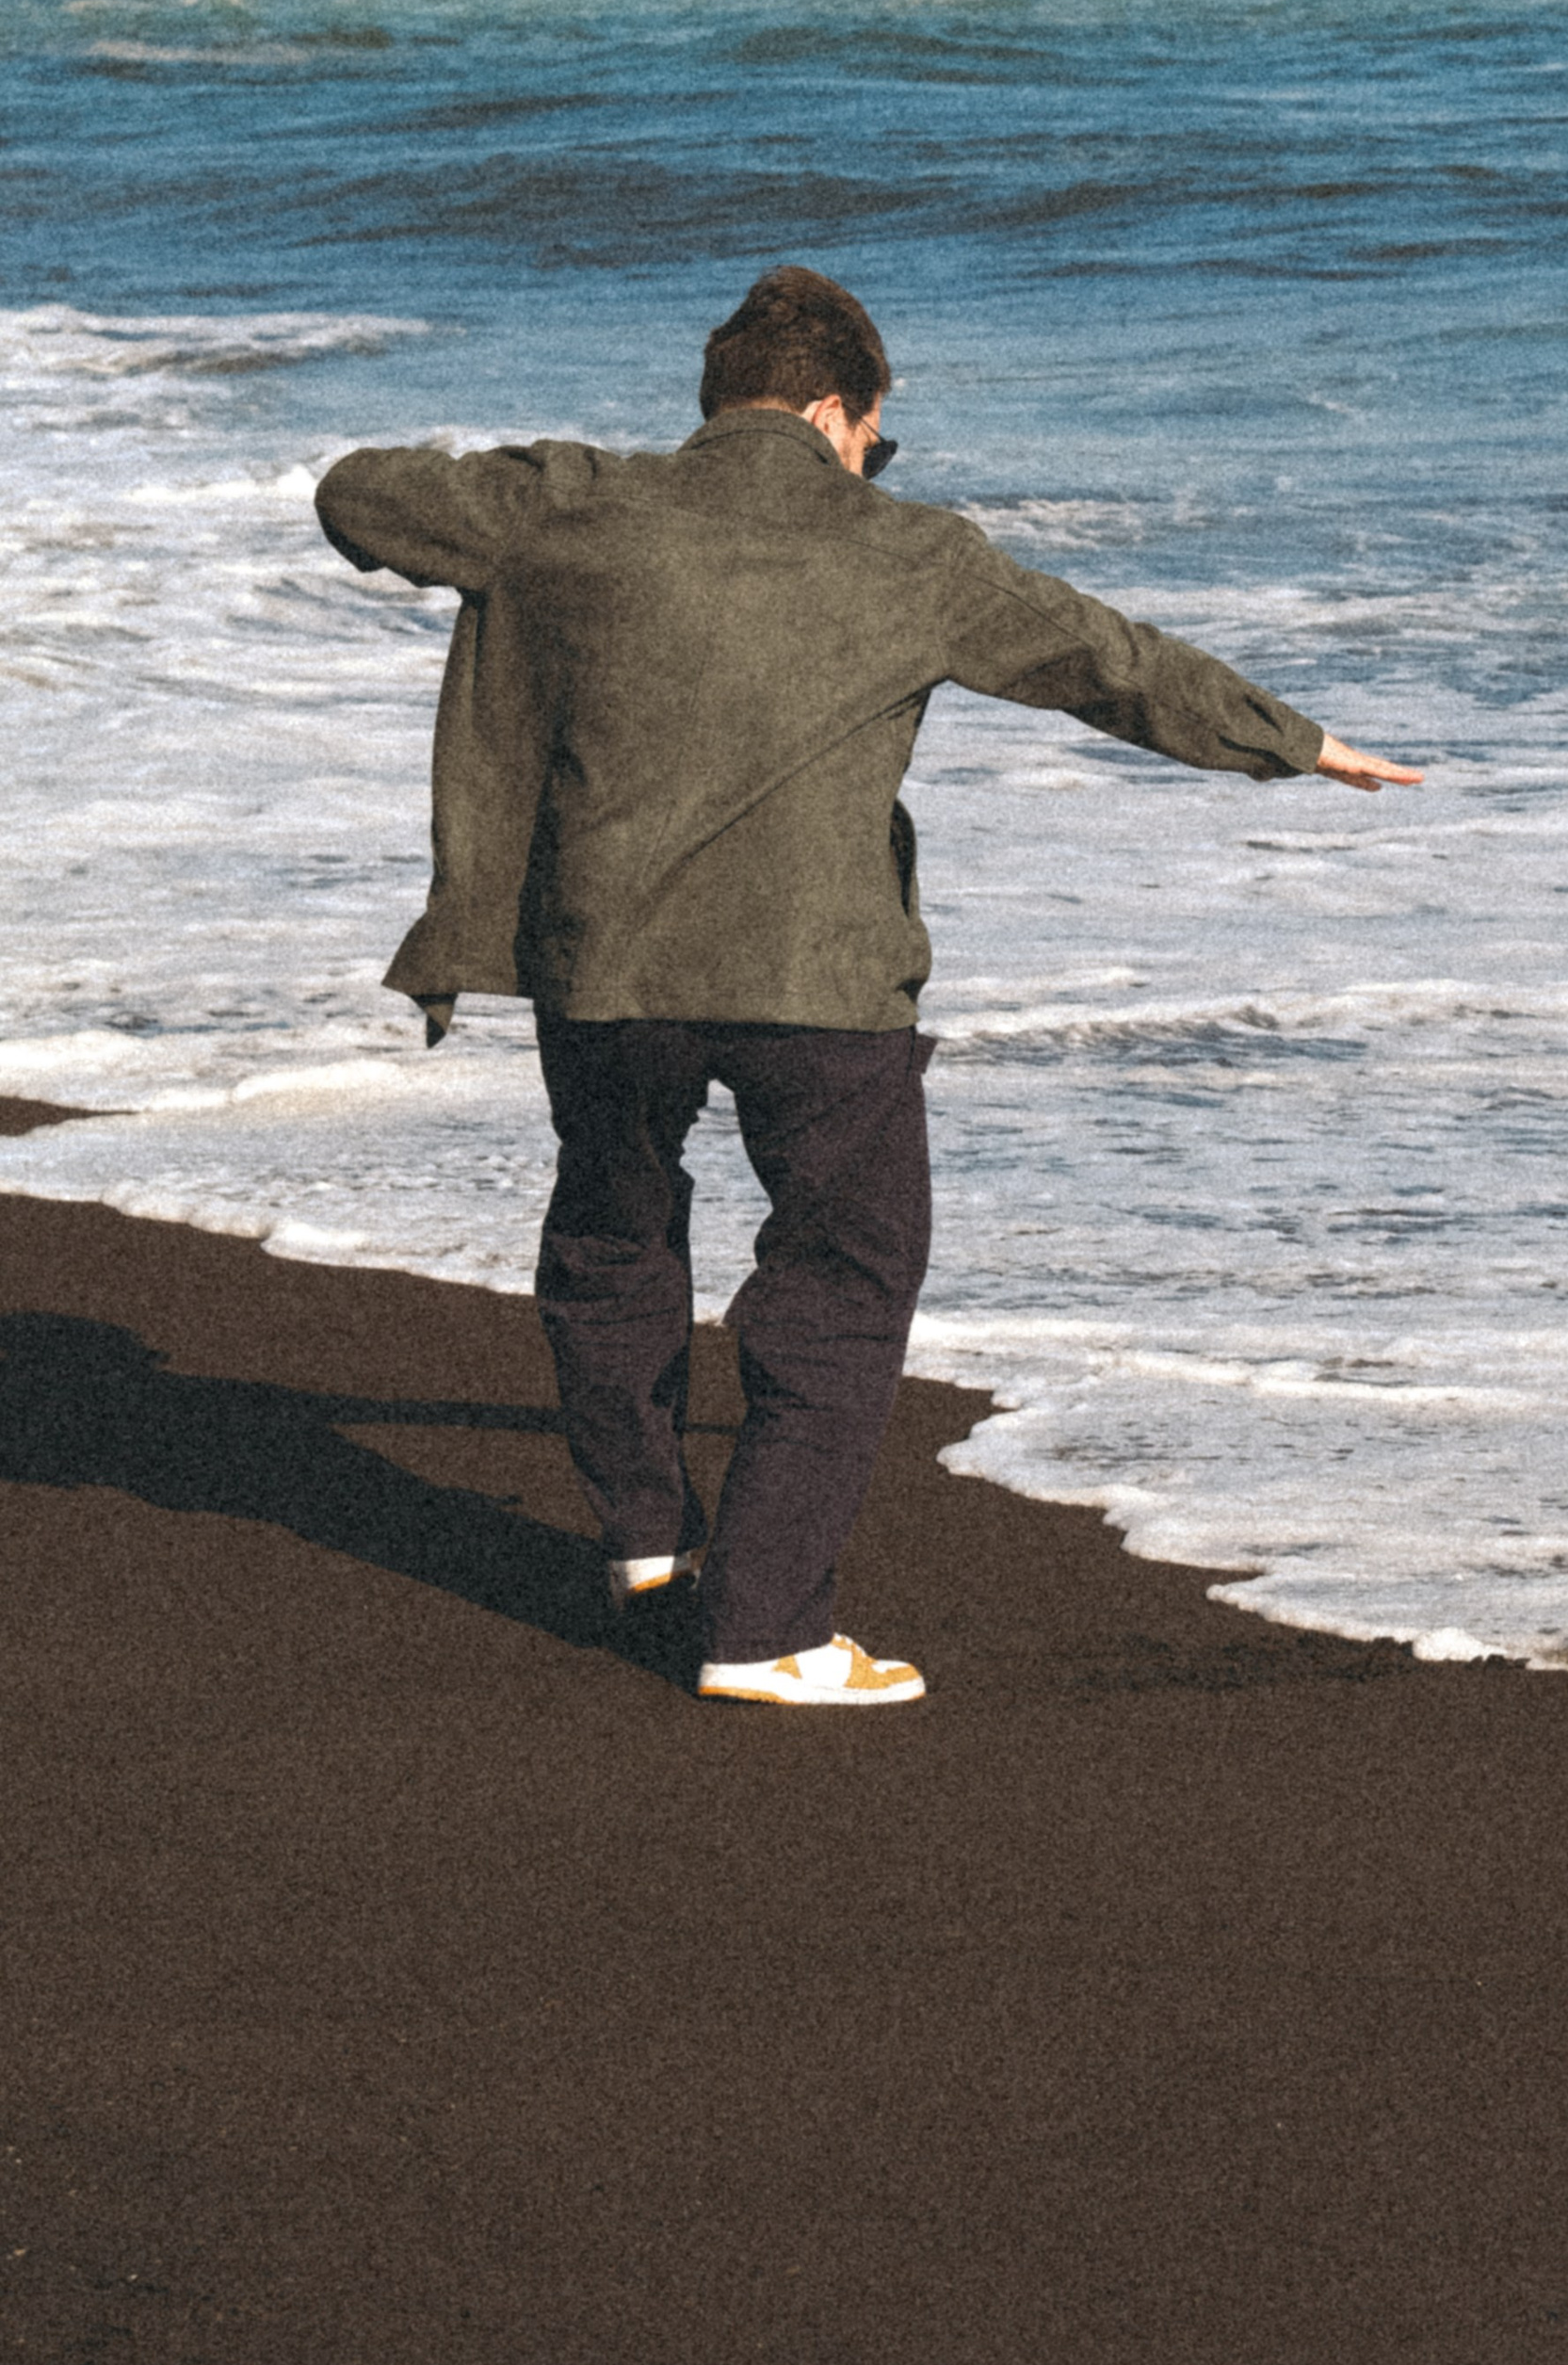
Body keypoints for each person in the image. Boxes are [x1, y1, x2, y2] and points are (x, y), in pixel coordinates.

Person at [315, 266, 1420, 1710]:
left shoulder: (573, 508)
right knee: (844, 1274)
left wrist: (557, 477)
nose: (875, 468)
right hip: (816, 986)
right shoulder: (913, 557)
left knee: (614, 1234)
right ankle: (765, 1626)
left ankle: (651, 1541)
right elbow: (1110, 663)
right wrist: (1296, 741)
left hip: (605, 973)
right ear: (839, 413)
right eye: (876, 444)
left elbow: (359, 494)